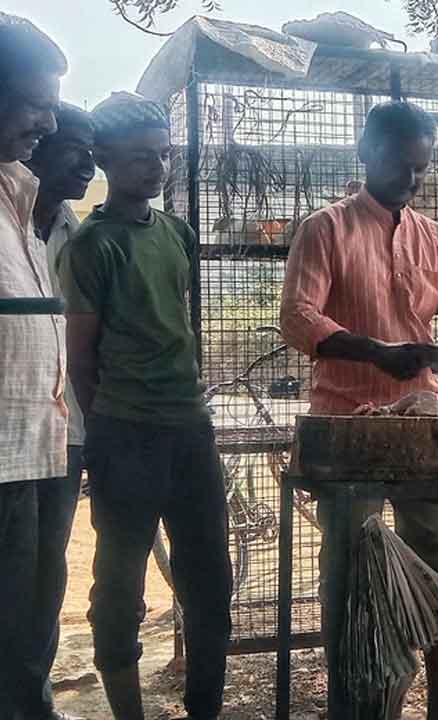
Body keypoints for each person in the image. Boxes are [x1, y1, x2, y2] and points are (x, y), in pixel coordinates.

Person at [280, 101, 438, 720]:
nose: (409, 181)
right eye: (400, 166)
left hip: (422, 423)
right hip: (347, 428)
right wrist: (377, 351)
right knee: (356, 569)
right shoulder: (327, 229)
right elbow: (298, 319)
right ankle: (360, 705)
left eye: (420, 171)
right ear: (366, 154)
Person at [61, 92, 232, 720]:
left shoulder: (178, 233)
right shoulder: (92, 245)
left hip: (190, 430)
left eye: (162, 156)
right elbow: (82, 357)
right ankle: (128, 711)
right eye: (139, 158)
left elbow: (177, 324)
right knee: (119, 586)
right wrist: (110, 427)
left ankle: (204, 709)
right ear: (104, 157)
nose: (155, 169)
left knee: (211, 581)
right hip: (126, 433)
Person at [0, 14, 73, 720]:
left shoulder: (17, 197)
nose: (48, 124)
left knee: (27, 632)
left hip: (32, 452)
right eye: (35, 103)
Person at [16, 102, 94, 720]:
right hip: (8, 430)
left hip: (62, 431)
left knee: (46, 574)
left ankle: (33, 696)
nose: (87, 163)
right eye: (74, 147)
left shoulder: (78, 232)